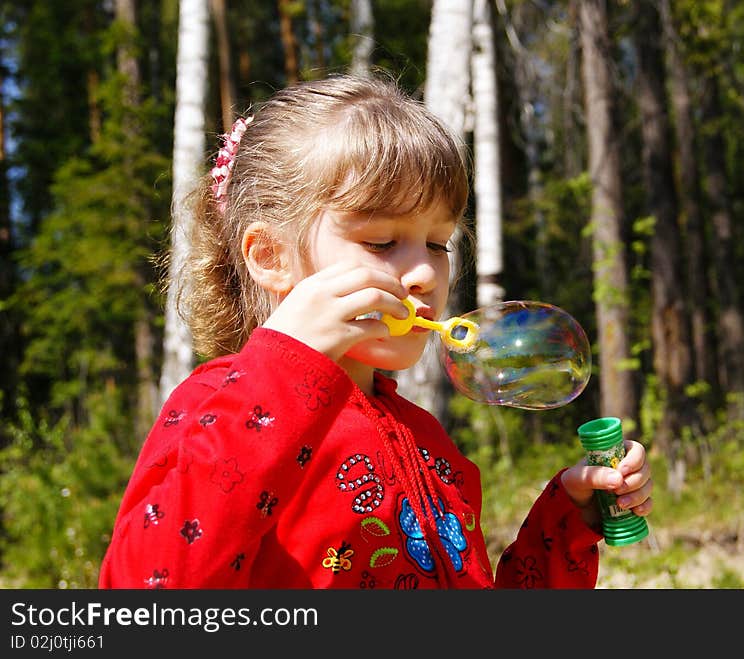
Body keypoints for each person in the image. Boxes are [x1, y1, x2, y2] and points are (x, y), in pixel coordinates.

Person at [99, 73, 653, 589]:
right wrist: (283, 363)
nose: (424, 272)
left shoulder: (427, 440)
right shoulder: (220, 403)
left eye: (439, 243)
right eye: (382, 242)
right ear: (269, 257)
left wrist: (568, 522)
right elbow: (148, 583)